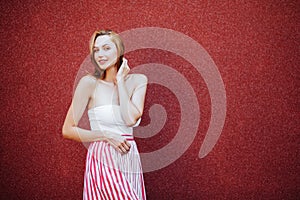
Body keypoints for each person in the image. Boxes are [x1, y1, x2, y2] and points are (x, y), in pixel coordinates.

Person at [62, 29, 147, 200]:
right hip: (102, 157)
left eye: (106, 48)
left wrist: (121, 81)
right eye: (96, 50)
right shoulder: (89, 83)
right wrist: (106, 135)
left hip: (129, 158)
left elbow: (130, 119)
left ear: (119, 50)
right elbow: (68, 130)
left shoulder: (138, 81)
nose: (100, 54)